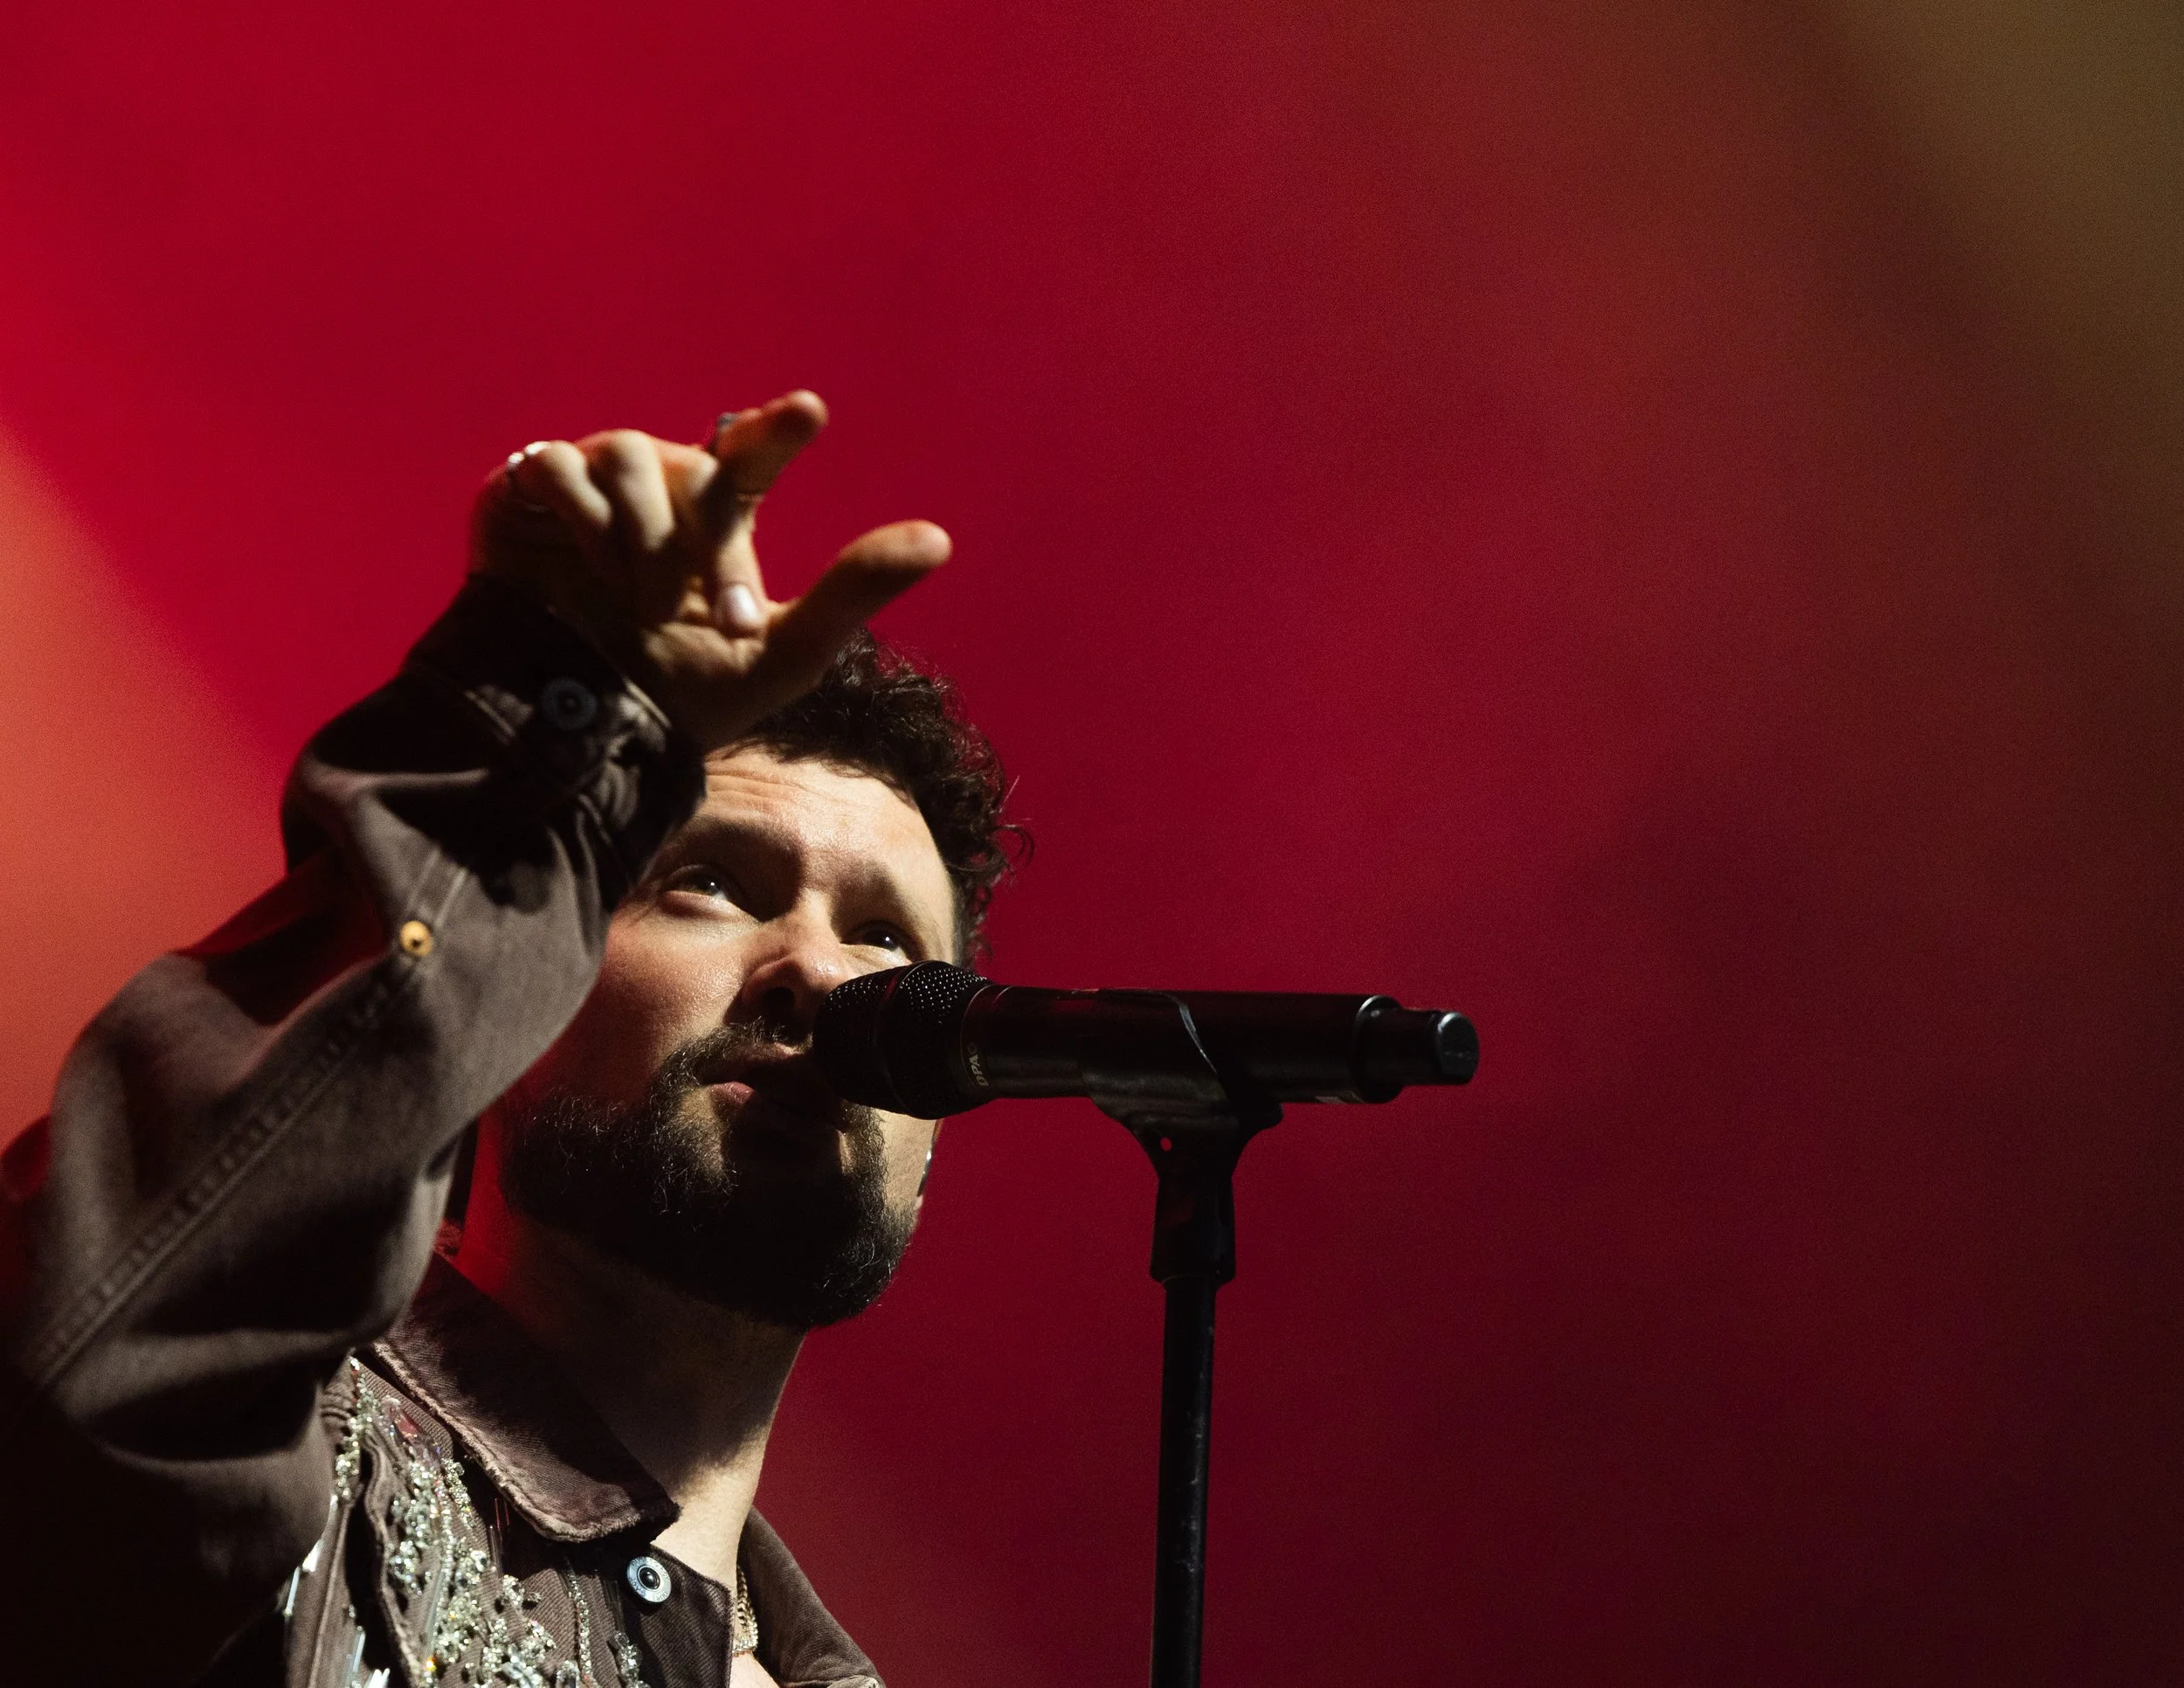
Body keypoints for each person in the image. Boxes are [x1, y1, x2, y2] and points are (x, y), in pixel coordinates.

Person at [0, 391, 1019, 1688]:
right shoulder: (291, 1458)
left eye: (886, 940)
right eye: (713, 885)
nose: (819, 972)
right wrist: (542, 743)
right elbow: (101, 1352)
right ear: (525, 992)